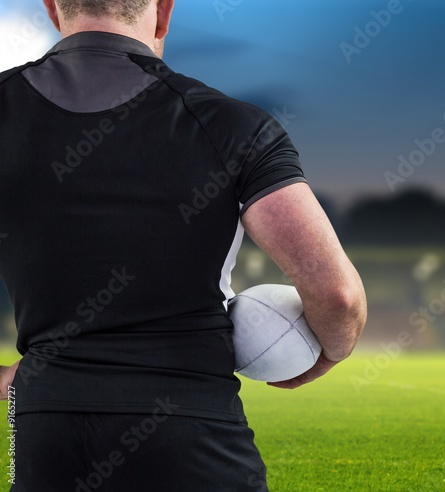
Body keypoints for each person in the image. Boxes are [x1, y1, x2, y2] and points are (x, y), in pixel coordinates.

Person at [0, 1, 367, 490]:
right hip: (194, 436)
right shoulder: (231, 126)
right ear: (163, 12)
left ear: (52, 9)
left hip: (49, 435)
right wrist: (326, 355)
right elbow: (337, 294)